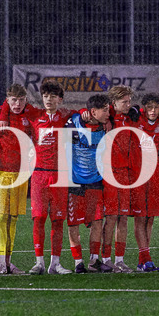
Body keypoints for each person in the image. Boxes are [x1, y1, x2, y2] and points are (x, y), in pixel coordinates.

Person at [0, 85, 36, 274]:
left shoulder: (30, 114)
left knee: (13, 219)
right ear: (7, 100)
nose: (17, 104)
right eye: (13, 100)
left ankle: (8, 262)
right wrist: (3, 111)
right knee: (1, 217)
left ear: (26, 100)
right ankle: (0, 262)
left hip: (21, 173)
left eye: (21, 100)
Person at [28, 82, 74, 275]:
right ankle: (39, 262)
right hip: (39, 173)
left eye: (53, 96)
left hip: (60, 174)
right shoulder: (34, 116)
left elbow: (87, 114)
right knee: (38, 218)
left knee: (57, 219)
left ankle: (55, 264)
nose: (49, 99)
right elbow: (11, 104)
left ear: (60, 99)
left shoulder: (66, 116)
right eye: (46, 96)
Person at [69, 95, 112, 273]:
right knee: (73, 223)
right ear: (93, 111)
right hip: (75, 182)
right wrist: (80, 116)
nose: (109, 113)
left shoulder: (106, 125)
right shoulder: (74, 121)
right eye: (105, 110)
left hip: (95, 180)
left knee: (97, 221)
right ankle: (78, 262)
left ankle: (94, 260)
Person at [101, 85, 138, 273]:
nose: (128, 105)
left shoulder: (129, 118)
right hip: (109, 173)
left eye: (129, 101)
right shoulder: (106, 118)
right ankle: (106, 259)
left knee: (123, 217)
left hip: (125, 174)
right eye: (124, 102)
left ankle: (120, 260)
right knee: (111, 217)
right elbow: (84, 111)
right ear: (113, 103)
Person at [130, 93, 159, 272]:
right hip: (138, 177)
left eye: (156, 107)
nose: (153, 111)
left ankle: (142, 262)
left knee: (150, 219)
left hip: (154, 176)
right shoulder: (136, 119)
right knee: (140, 218)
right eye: (149, 107)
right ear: (144, 108)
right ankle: (146, 259)